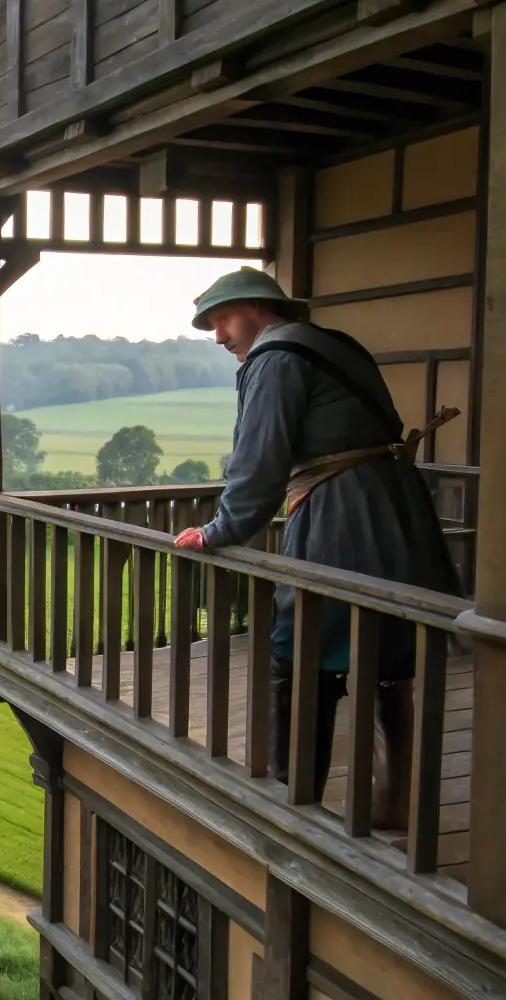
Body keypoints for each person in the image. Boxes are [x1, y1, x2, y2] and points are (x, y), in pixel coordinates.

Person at [173, 267, 461, 827]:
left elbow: (259, 458)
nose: (217, 335)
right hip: (396, 509)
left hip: (340, 514)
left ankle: (292, 803)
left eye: (222, 319)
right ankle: (396, 801)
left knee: (302, 645)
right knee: (389, 651)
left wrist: (220, 530)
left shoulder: (276, 357)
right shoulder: (332, 344)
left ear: (258, 309)